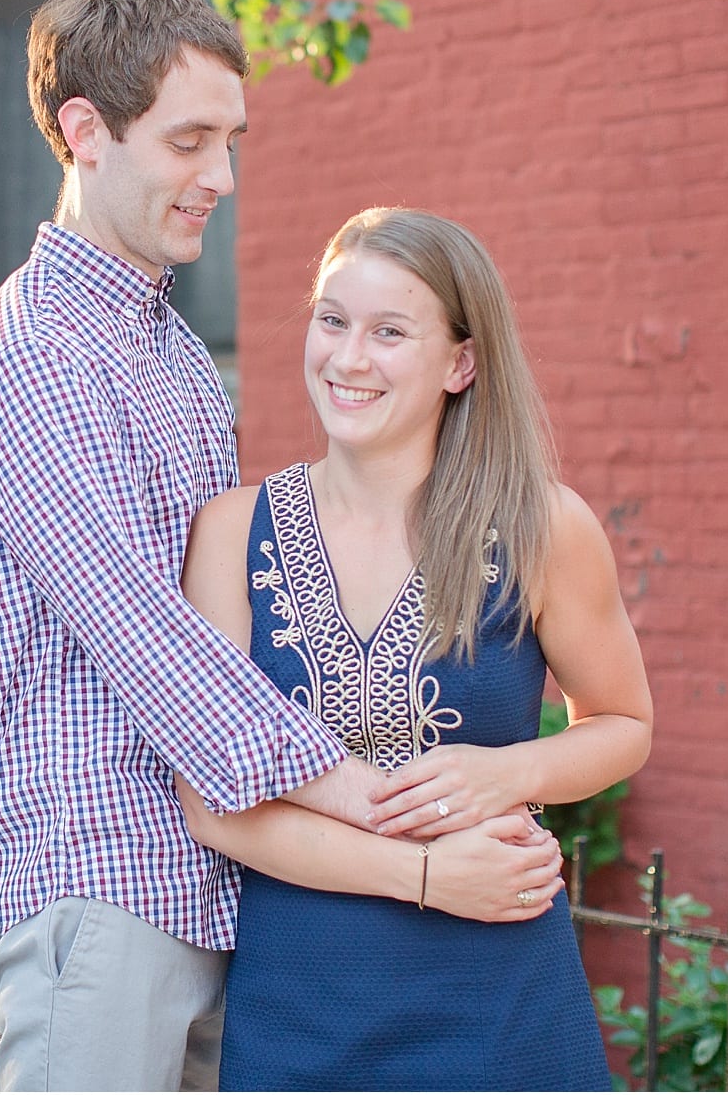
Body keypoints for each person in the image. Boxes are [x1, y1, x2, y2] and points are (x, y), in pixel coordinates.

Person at [0, 0, 564, 1092]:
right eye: (188, 141)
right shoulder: (27, 360)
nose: (219, 178)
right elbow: (152, 646)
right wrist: (402, 821)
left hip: (224, 892)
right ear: (85, 132)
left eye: (230, 141)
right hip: (100, 889)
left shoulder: (172, 356)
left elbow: (237, 637)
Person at [177, 206, 655, 1091]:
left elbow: (624, 723)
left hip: (501, 999)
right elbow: (214, 804)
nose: (349, 358)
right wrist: (425, 873)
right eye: (332, 320)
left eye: (390, 331)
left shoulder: (543, 525)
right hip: (300, 1007)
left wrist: (511, 773)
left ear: (460, 363)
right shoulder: (230, 532)